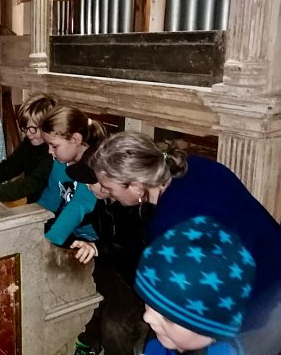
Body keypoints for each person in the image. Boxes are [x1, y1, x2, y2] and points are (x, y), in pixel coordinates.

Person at [89, 131, 281, 335]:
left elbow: (185, 308)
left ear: (136, 186)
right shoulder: (196, 165)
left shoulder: (169, 225)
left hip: (258, 310)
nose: (104, 191)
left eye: (108, 187)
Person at [66, 157, 152, 355]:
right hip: (113, 267)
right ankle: (89, 342)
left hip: (135, 278)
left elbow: (133, 245)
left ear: (107, 185)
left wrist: (97, 248)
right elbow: (86, 219)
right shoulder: (102, 202)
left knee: (115, 324)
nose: (86, 187)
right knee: (89, 297)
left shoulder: (137, 209)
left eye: (90, 182)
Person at [135, 216, 256, 354]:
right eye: (148, 303)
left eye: (168, 318)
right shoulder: (157, 346)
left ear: (211, 329)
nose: (147, 317)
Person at [37, 105, 107, 246]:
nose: (50, 151)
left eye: (54, 146)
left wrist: (48, 240)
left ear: (75, 139)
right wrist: (31, 225)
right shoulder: (60, 163)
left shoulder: (92, 167)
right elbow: (50, 198)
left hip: (95, 240)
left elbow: (79, 205)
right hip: (68, 232)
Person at [0, 93, 58, 203]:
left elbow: (32, 183)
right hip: (33, 202)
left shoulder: (52, 152)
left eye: (33, 128)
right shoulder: (29, 143)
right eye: (25, 128)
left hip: (46, 206)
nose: (28, 134)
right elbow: (9, 166)